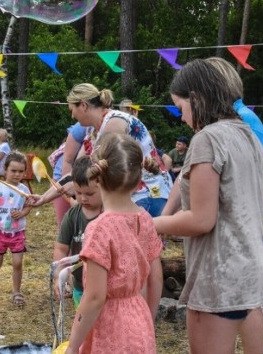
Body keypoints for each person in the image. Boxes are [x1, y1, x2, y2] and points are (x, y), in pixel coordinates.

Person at [154, 58, 263, 354]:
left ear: (195, 98)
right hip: (250, 267)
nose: (181, 118)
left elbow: (201, 219)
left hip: (219, 273)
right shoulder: (247, 134)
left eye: (181, 108)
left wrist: (146, 224)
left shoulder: (207, 139)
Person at [64, 133, 163, 354]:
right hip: (140, 322)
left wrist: (72, 345)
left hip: (110, 328)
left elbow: (95, 297)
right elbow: (156, 277)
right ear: (139, 182)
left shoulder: (100, 228)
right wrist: (147, 318)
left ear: (97, 178)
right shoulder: (145, 219)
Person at [30, 84, 172, 215]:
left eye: (72, 110)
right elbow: (77, 171)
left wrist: (75, 186)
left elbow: (102, 168)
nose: (72, 116)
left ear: (83, 105)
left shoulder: (114, 123)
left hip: (147, 195)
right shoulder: (94, 132)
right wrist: (44, 197)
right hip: (132, 196)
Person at [0, 152, 32, 308]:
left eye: (21, 171)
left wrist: (22, 213)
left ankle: (16, 292)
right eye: (13, 171)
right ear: (5, 170)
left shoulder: (24, 190)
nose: (17, 174)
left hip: (17, 233)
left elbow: (28, 207)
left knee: (17, 263)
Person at [53, 156, 103, 308]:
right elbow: (61, 248)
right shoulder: (73, 215)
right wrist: (59, 275)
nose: (83, 198)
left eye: (89, 194)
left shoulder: (110, 216)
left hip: (106, 289)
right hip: (80, 288)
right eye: (78, 192)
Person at [48, 122, 89, 225]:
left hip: (83, 188)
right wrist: (71, 199)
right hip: (63, 187)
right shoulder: (64, 156)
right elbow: (61, 181)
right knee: (65, 226)